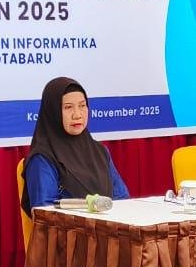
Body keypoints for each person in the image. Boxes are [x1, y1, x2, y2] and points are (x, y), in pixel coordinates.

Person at [22, 76, 130, 211]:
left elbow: (121, 199)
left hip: (109, 223)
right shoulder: (43, 158)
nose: (77, 115)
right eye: (68, 107)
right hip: (69, 225)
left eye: (82, 105)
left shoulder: (100, 151)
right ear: (53, 112)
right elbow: (45, 212)